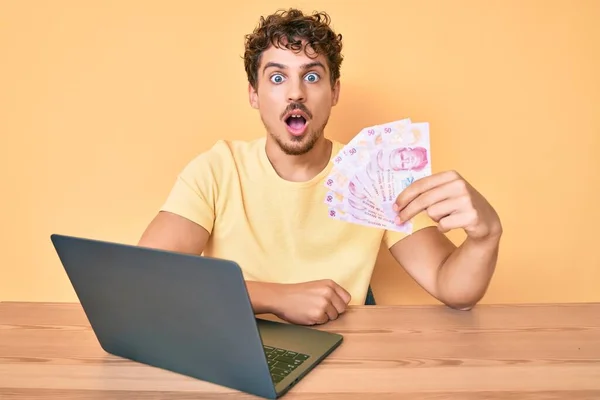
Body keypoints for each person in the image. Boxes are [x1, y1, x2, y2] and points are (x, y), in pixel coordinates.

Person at [138, 8, 503, 326]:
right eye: (277, 78)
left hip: (346, 352)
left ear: (335, 91)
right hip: (233, 342)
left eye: (312, 76)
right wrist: (274, 297)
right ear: (254, 94)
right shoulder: (217, 169)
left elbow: (452, 287)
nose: (296, 92)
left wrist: (486, 236)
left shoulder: (373, 173)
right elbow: (147, 279)